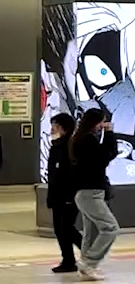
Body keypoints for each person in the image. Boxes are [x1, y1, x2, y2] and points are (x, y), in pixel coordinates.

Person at [69, 108, 119, 281]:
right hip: (91, 192)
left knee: (91, 232)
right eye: (101, 122)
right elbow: (105, 157)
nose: (102, 126)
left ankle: (87, 267)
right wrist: (110, 134)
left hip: (85, 192)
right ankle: (89, 262)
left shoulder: (79, 139)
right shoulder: (88, 140)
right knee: (110, 228)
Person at [46, 113, 81, 273]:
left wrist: (70, 195)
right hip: (56, 195)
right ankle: (68, 260)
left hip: (68, 196)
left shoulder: (71, 146)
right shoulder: (56, 147)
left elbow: (71, 174)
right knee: (59, 229)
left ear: (64, 128)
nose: (52, 129)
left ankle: (89, 252)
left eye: (55, 126)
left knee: (67, 228)